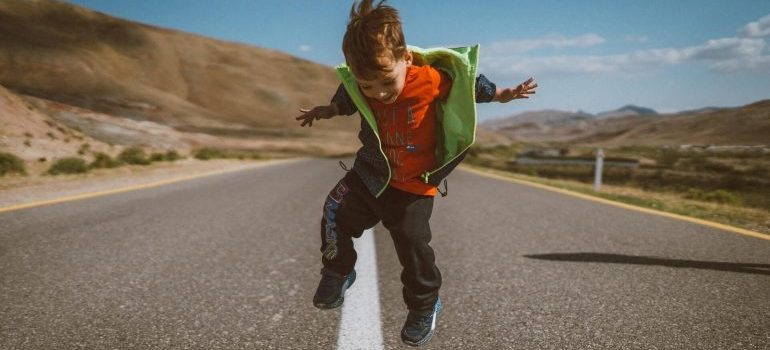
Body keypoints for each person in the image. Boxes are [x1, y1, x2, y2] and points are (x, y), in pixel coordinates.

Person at [295, 0, 536, 346]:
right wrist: (328, 109)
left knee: (411, 245)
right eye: (368, 85)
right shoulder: (360, 82)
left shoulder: (431, 79)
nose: (378, 93)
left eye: (385, 82)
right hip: (371, 172)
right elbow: (348, 96)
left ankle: (424, 305)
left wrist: (504, 95)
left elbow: (470, 85)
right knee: (334, 210)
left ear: (406, 58)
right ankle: (338, 270)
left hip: (413, 185)